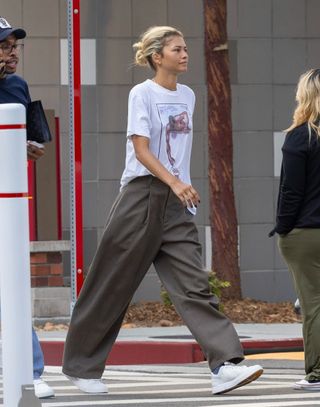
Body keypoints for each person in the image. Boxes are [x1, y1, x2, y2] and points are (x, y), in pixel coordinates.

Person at [62, 25, 263, 396]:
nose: (185, 54)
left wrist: (179, 186)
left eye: (186, 48)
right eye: (177, 49)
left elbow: (176, 151)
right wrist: (174, 182)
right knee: (112, 282)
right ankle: (80, 367)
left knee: (194, 284)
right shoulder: (143, 93)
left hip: (176, 201)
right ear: (158, 56)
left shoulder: (187, 95)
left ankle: (225, 365)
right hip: (141, 195)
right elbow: (141, 149)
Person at [0, 16, 54, 399]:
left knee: (14, 283)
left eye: (14, 46)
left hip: (10, 204)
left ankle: (31, 372)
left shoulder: (17, 86)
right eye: (4, 46)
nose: (11, 52)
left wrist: (31, 150)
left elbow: (31, 140)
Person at [270, 68, 320, 391]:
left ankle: (317, 373)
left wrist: (282, 229)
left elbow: (291, 192)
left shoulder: (299, 137)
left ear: (305, 96)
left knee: (313, 302)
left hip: (305, 233)